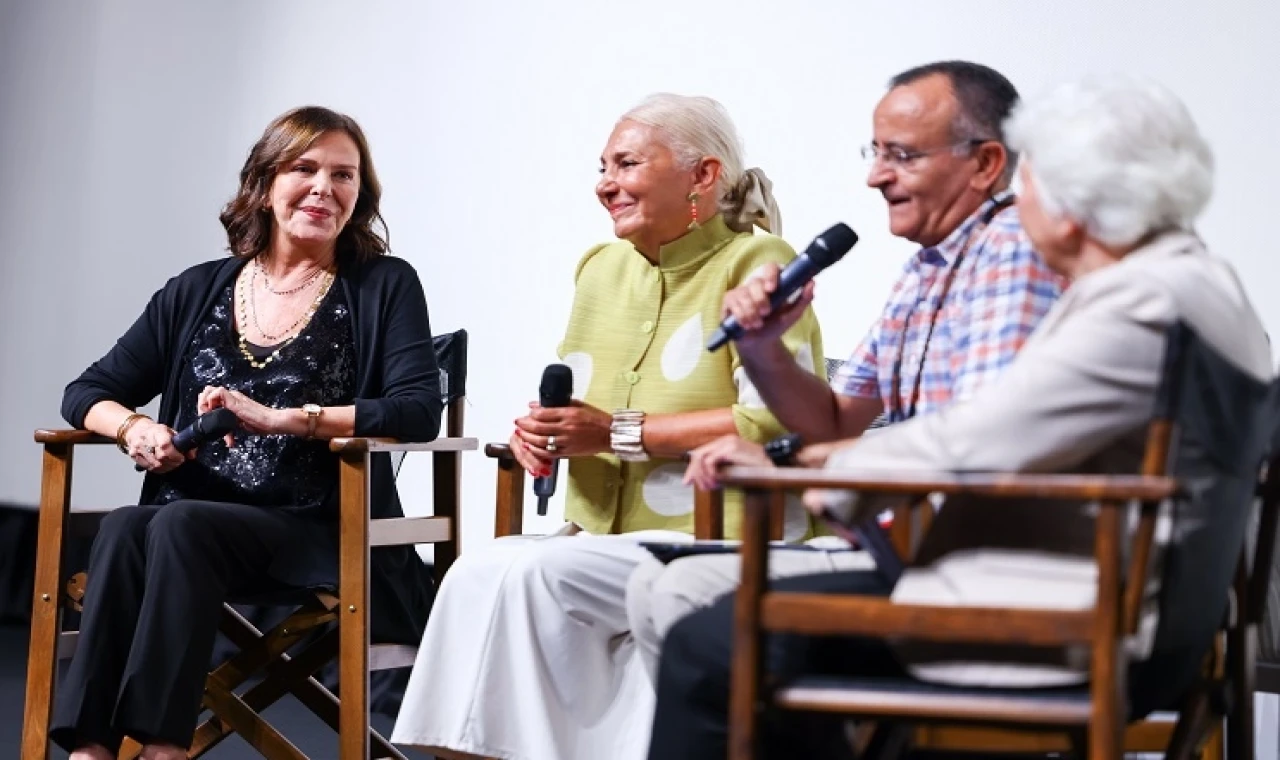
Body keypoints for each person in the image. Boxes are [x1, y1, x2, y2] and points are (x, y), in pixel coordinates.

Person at [648, 76, 1273, 760]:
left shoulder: (1140, 303)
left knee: (707, 645)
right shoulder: (1194, 286)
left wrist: (800, 467)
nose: (1018, 205)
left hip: (1063, 616)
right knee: (724, 634)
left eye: (1028, 185)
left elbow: (979, 439)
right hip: (1112, 606)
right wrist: (775, 370)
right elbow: (873, 420)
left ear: (1068, 205)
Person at [390, 93, 823, 760]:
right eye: (602, 166)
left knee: (533, 577)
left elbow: (770, 422)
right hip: (597, 527)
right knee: (475, 574)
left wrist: (615, 433)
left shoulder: (758, 262)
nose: (605, 184)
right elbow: (583, 410)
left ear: (703, 176)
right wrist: (548, 433)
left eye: (626, 163)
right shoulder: (599, 269)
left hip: (717, 527)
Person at [626, 60, 1065, 680]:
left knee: (685, 592)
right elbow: (834, 422)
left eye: (903, 156)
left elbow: (973, 445)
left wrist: (784, 462)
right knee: (663, 583)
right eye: (875, 152)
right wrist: (761, 348)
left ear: (986, 164)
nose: (875, 177)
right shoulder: (928, 269)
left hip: (974, 570)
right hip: (908, 549)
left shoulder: (1012, 252)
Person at [51, 106, 441, 760]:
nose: (324, 187)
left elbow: (417, 410)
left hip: (317, 528)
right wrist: (136, 428)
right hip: (199, 526)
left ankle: (161, 747)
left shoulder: (381, 285)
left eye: (344, 176)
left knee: (177, 525)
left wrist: (287, 419)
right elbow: (85, 394)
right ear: (263, 184)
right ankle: (91, 749)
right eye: (304, 168)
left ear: (359, 197)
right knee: (125, 525)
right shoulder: (198, 289)